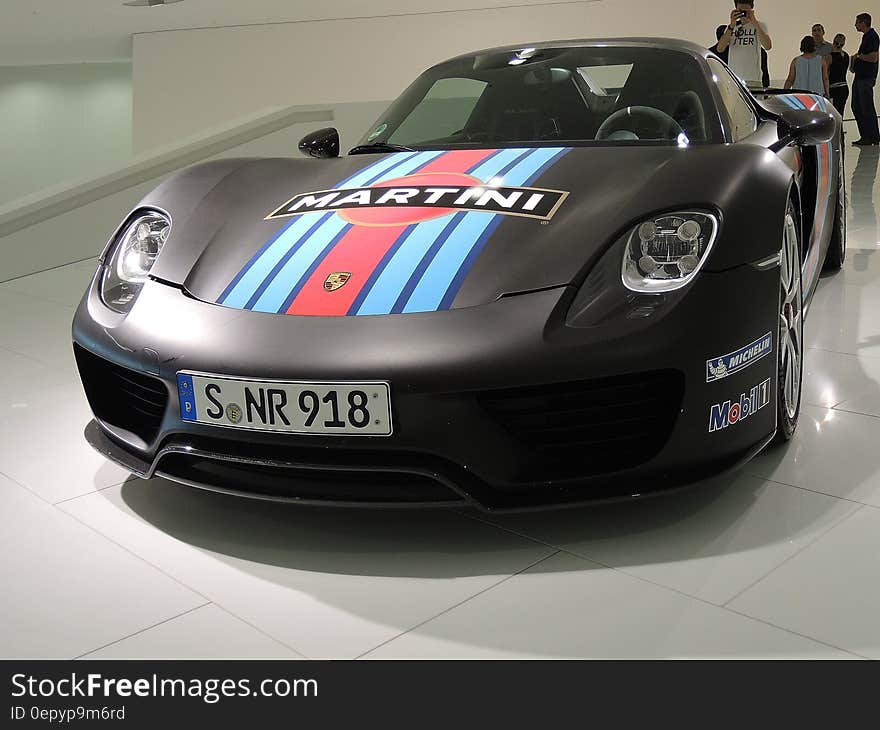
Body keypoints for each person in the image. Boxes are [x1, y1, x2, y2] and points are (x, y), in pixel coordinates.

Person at [716, 1, 773, 88]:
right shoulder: (731, 28)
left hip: (753, 79)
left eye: (746, 10)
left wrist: (754, 22)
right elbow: (720, 49)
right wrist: (732, 25)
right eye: (740, 10)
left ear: (752, 9)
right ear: (736, 9)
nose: (743, 13)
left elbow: (768, 46)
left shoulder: (760, 26)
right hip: (734, 78)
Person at [851, 12, 880, 145]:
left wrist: (858, 56)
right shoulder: (866, 37)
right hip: (860, 77)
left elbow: (873, 58)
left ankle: (872, 137)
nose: (855, 25)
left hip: (866, 78)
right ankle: (866, 136)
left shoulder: (873, 36)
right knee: (857, 106)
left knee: (866, 107)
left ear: (864, 22)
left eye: (857, 22)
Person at [828, 34, 851, 116]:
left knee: (833, 115)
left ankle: (837, 129)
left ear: (833, 42)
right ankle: (840, 128)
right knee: (840, 114)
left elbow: (826, 76)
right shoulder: (846, 56)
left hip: (833, 88)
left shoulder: (829, 57)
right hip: (844, 88)